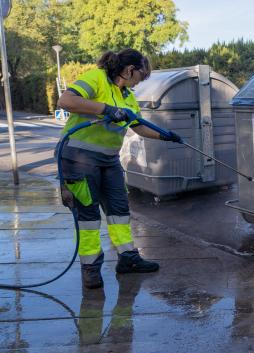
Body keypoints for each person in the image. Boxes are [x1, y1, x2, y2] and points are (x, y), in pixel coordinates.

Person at [56, 48, 181, 289]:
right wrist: (105, 109)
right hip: (78, 158)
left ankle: (128, 259)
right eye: (141, 75)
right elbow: (66, 101)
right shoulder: (96, 78)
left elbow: (138, 126)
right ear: (129, 69)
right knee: (88, 217)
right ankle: (90, 269)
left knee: (119, 211)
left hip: (109, 160)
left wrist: (166, 137)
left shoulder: (127, 96)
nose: (142, 80)